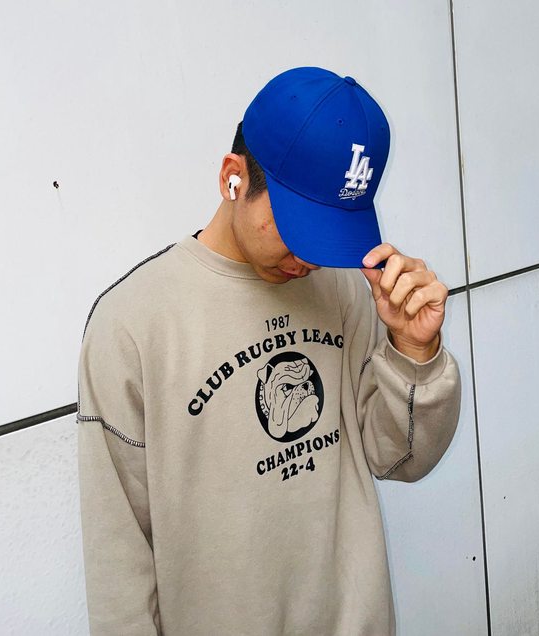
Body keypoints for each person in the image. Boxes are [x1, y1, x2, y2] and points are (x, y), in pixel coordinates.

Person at [77, 66, 461, 635]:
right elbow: (118, 556)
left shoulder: (340, 288)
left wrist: (413, 351)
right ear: (233, 179)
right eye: (298, 226)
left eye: (328, 232)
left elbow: (397, 457)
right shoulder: (131, 323)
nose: (308, 258)